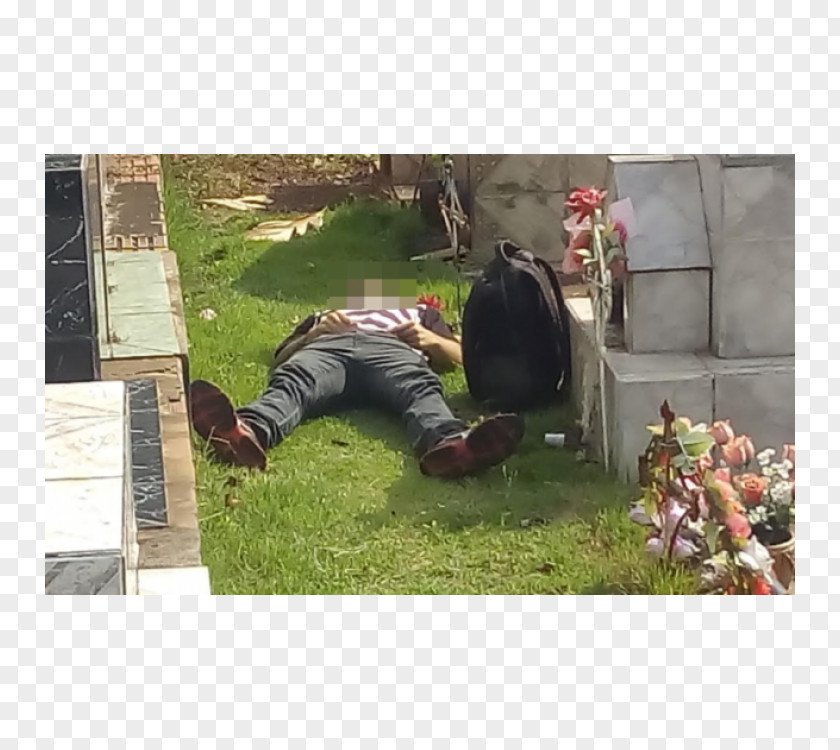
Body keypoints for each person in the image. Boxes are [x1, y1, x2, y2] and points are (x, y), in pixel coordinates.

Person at [189, 280, 525, 479]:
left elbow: (462, 359)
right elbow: (282, 357)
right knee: (295, 381)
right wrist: (315, 333)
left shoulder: (422, 313)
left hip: (391, 349)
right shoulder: (325, 315)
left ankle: (453, 445)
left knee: (419, 389)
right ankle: (243, 431)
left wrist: (431, 340)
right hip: (328, 347)